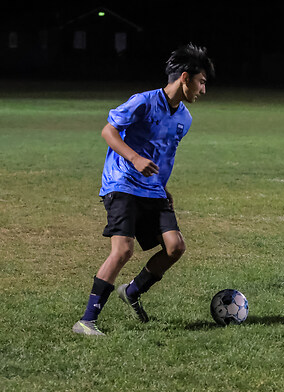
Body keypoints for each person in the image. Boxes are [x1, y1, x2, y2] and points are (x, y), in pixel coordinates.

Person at [72, 43, 215, 335]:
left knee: (175, 247)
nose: (203, 90)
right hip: (122, 183)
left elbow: (164, 155)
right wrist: (134, 158)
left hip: (153, 189)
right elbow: (108, 130)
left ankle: (132, 291)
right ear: (185, 78)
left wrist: (163, 187)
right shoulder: (144, 102)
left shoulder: (185, 119)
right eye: (201, 82)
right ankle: (86, 321)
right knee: (123, 250)